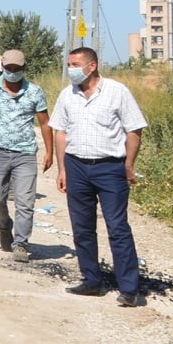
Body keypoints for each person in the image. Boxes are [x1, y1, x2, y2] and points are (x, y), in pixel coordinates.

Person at [51, 46, 148, 306]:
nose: (70, 69)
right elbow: (60, 132)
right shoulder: (67, 95)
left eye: (74, 64)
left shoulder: (117, 92)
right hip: (76, 166)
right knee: (82, 228)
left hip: (110, 168)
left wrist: (128, 164)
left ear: (91, 66)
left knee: (117, 228)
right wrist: (62, 168)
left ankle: (129, 288)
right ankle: (91, 280)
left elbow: (134, 130)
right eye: (69, 63)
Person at [0, 49, 52, 260]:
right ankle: (5, 224)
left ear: (24, 69)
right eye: (9, 69)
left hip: (25, 154)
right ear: (3, 69)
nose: (13, 72)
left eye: (17, 69)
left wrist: (49, 151)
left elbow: (44, 122)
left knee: (26, 201)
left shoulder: (35, 92)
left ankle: (21, 244)